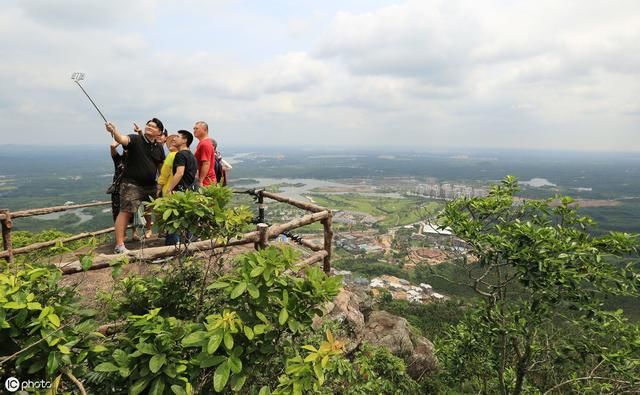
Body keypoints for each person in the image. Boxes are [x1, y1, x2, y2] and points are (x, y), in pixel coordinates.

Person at [105, 118, 166, 254]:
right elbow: (121, 139)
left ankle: (162, 235)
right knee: (126, 212)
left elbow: (161, 167)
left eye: (153, 126)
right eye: (148, 125)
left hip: (151, 185)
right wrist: (114, 130)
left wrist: (161, 185)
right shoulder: (136, 139)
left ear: (159, 132)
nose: (149, 127)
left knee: (159, 210)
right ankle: (120, 245)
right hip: (132, 183)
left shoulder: (159, 148)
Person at [165, 130, 197, 246]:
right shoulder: (191, 156)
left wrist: (169, 188)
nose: (174, 139)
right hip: (190, 191)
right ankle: (188, 246)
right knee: (187, 221)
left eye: (177, 137)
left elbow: (179, 173)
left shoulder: (180, 155)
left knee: (173, 221)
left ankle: (170, 248)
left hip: (180, 192)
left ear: (185, 140)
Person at [108, 140, 139, 241]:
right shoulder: (118, 159)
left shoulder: (137, 160)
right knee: (118, 212)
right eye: (125, 148)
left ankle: (135, 232)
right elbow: (112, 148)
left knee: (134, 212)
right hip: (118, 190)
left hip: (132, 189)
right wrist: (118, 140)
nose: (127, 151)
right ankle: (123, 234)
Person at [193, 121, 217, 186]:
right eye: (194, 129)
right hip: (207, 180)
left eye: (196, 128)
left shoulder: (205, 144)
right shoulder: (204, 143)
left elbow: (206, 163)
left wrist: (201, 181)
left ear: (205, 130)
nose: (194, 131)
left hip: (206, 181)